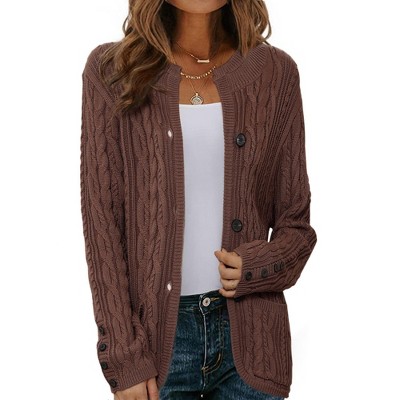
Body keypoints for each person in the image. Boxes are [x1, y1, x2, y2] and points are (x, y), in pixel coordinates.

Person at [80, 0, 317, 399]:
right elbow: (101, 224)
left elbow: (297, 226)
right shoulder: (111, 72)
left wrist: (256, 267)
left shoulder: (276, 73)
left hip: (252, 347)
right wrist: (123, 356)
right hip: (157, 351)